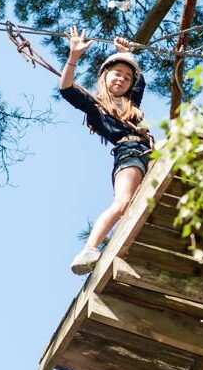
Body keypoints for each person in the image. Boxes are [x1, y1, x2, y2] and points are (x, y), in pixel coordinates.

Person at [59, 26, 153, 275]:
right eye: (117, 74)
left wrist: (124, 52)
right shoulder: (95, 105)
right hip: (129, 153)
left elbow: (140, 80)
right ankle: (89, 249)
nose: (121, 79)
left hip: (148, 153)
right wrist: (74, 56)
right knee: (123, 202)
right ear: (105, 76)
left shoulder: (131, 103)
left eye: (127, 77)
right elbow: (66, 88)